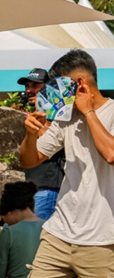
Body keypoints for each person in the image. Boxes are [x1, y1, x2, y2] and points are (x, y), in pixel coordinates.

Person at [19, 49, 114, 278]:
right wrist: (30, 135)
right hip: (57, 235)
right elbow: (29, 161)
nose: (54, 93)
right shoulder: (66, 118)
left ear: (79, 83)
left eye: (59, 85)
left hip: (101, 241)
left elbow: (113, 155)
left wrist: (88, 112)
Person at [17, 68, 64, 220]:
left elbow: (47, 138)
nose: (29, 90)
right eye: (27, 86)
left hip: (49, 189)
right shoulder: (31, 117)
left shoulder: (58, 116)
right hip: (34, 189)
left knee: (37, 232)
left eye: (35, 85)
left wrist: (41, 107)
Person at [0, 181, 45, 278]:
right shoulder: (49, 227)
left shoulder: (9, 231)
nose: (4, 224)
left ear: (9, 213)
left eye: (3, 220)